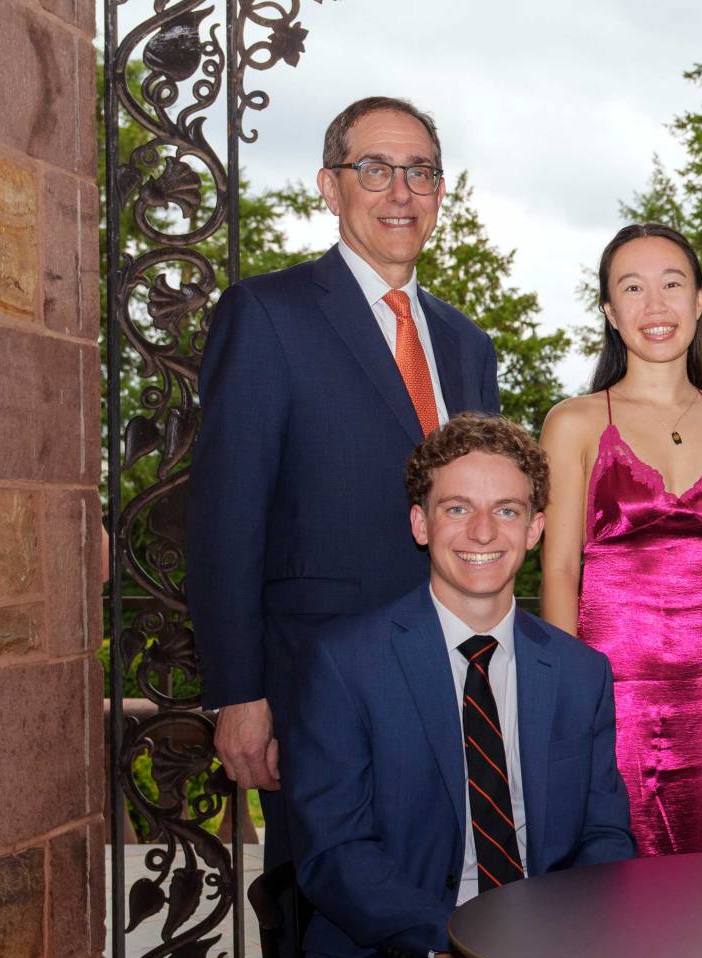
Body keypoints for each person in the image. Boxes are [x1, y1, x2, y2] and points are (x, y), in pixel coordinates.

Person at [281, 414, 702, 958]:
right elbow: (336, 855)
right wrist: (462, 953)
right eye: (456, 508)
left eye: (506, 510)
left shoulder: (580, 673)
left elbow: (603, 840)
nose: (481, 532)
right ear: (420, 524)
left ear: (534, 529)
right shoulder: (343, 663)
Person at [186, 95, 499, 869]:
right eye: (375, 169)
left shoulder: (468, 345)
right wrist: (239, 693)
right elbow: (226, 518)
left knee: (445, 917)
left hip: (456, 685)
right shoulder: (265, 313)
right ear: (331, 188)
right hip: (312, 693)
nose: (400, 192)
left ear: (440, 192)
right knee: (317, 932)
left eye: (419, 172)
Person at [540, 223, 702, 857]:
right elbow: (558, 570)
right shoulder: (573, 422)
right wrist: (567, 701)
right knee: (609, 892)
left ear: (699, 299)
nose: (656, 306)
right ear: (611, 313)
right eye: (632, 289)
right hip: (608, 697)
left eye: (672, 284)